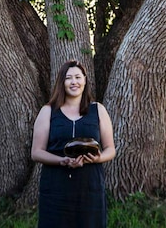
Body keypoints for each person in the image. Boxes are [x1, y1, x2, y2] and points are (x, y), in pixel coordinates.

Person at [31, 59, 116, 228]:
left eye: (78, 77)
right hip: (56, 187)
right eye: (69, 78)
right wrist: (61, 160)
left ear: (85, 80)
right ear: (62, 82)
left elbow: (110, 149)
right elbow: (36, 152)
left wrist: (97, 159)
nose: (74, 82)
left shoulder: (98, 110)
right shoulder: (48, 111)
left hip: (89, 186)